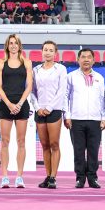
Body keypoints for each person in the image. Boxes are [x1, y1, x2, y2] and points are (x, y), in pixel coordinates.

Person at [0, 34, 33, 188]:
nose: (13, 45)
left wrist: (20, 103)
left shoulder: (27, 63)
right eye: (11, 43)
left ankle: (19, 177)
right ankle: (4, 177)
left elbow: (29, 86)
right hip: (6, 105)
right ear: (7, 45)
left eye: (16, 43)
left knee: (21, 141)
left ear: (19, 45)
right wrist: (9, 104)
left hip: (22, 105)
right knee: (4, 141)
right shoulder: (0, 63)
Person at [65, 48, 105, 189]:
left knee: (94, 151)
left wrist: (104, 117)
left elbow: (102, 99)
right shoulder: (71, 77)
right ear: (78, 60)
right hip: (76, 119)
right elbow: (65, 97)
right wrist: (67, 116)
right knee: (78, 151)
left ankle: (93, 178)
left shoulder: (99, 78)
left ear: (94, 60)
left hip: (95, 120)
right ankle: (80, 178)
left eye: (89, 57)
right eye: (83, 57)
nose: (86, 59)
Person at [32, 40, 67, 189]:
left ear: (55, 53)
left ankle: (53, 177)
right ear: (42, 52)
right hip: (39, 112)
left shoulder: (61, 69)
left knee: (54, 144)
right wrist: (37, 107)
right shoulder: (35, 70)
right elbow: (32, 91)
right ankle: (47, 176)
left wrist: (50, 107)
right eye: (45, 50)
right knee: (45, 145)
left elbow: (62, 91)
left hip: (54, 111)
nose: (47, 52)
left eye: (51, 50)